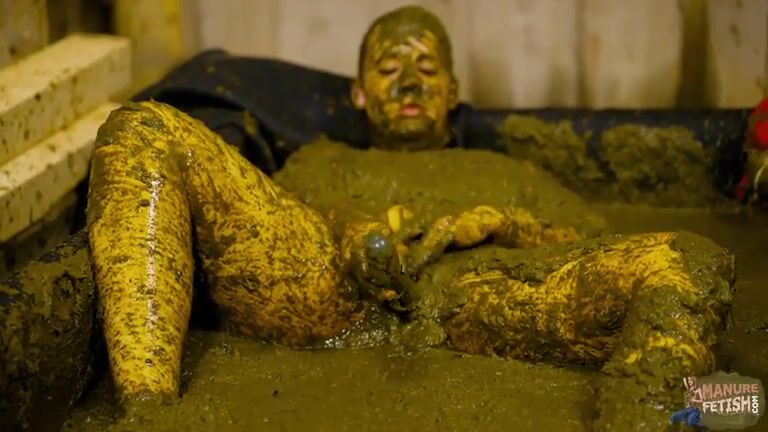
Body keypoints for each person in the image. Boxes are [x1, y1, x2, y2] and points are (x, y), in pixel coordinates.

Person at [86, 5, 735, 430]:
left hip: (480, 295)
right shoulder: (325, 157)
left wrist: (505, 222)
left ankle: (651, 418)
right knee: (142, 128)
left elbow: (593, 242)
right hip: (331, 291)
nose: (409, 83)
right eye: (388, 68)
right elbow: (275, 221)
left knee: (689, 260)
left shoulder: (504, 171)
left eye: (427, 68)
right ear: (359, 93)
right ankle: (147, 412)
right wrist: (351, 225)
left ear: (452, 93)